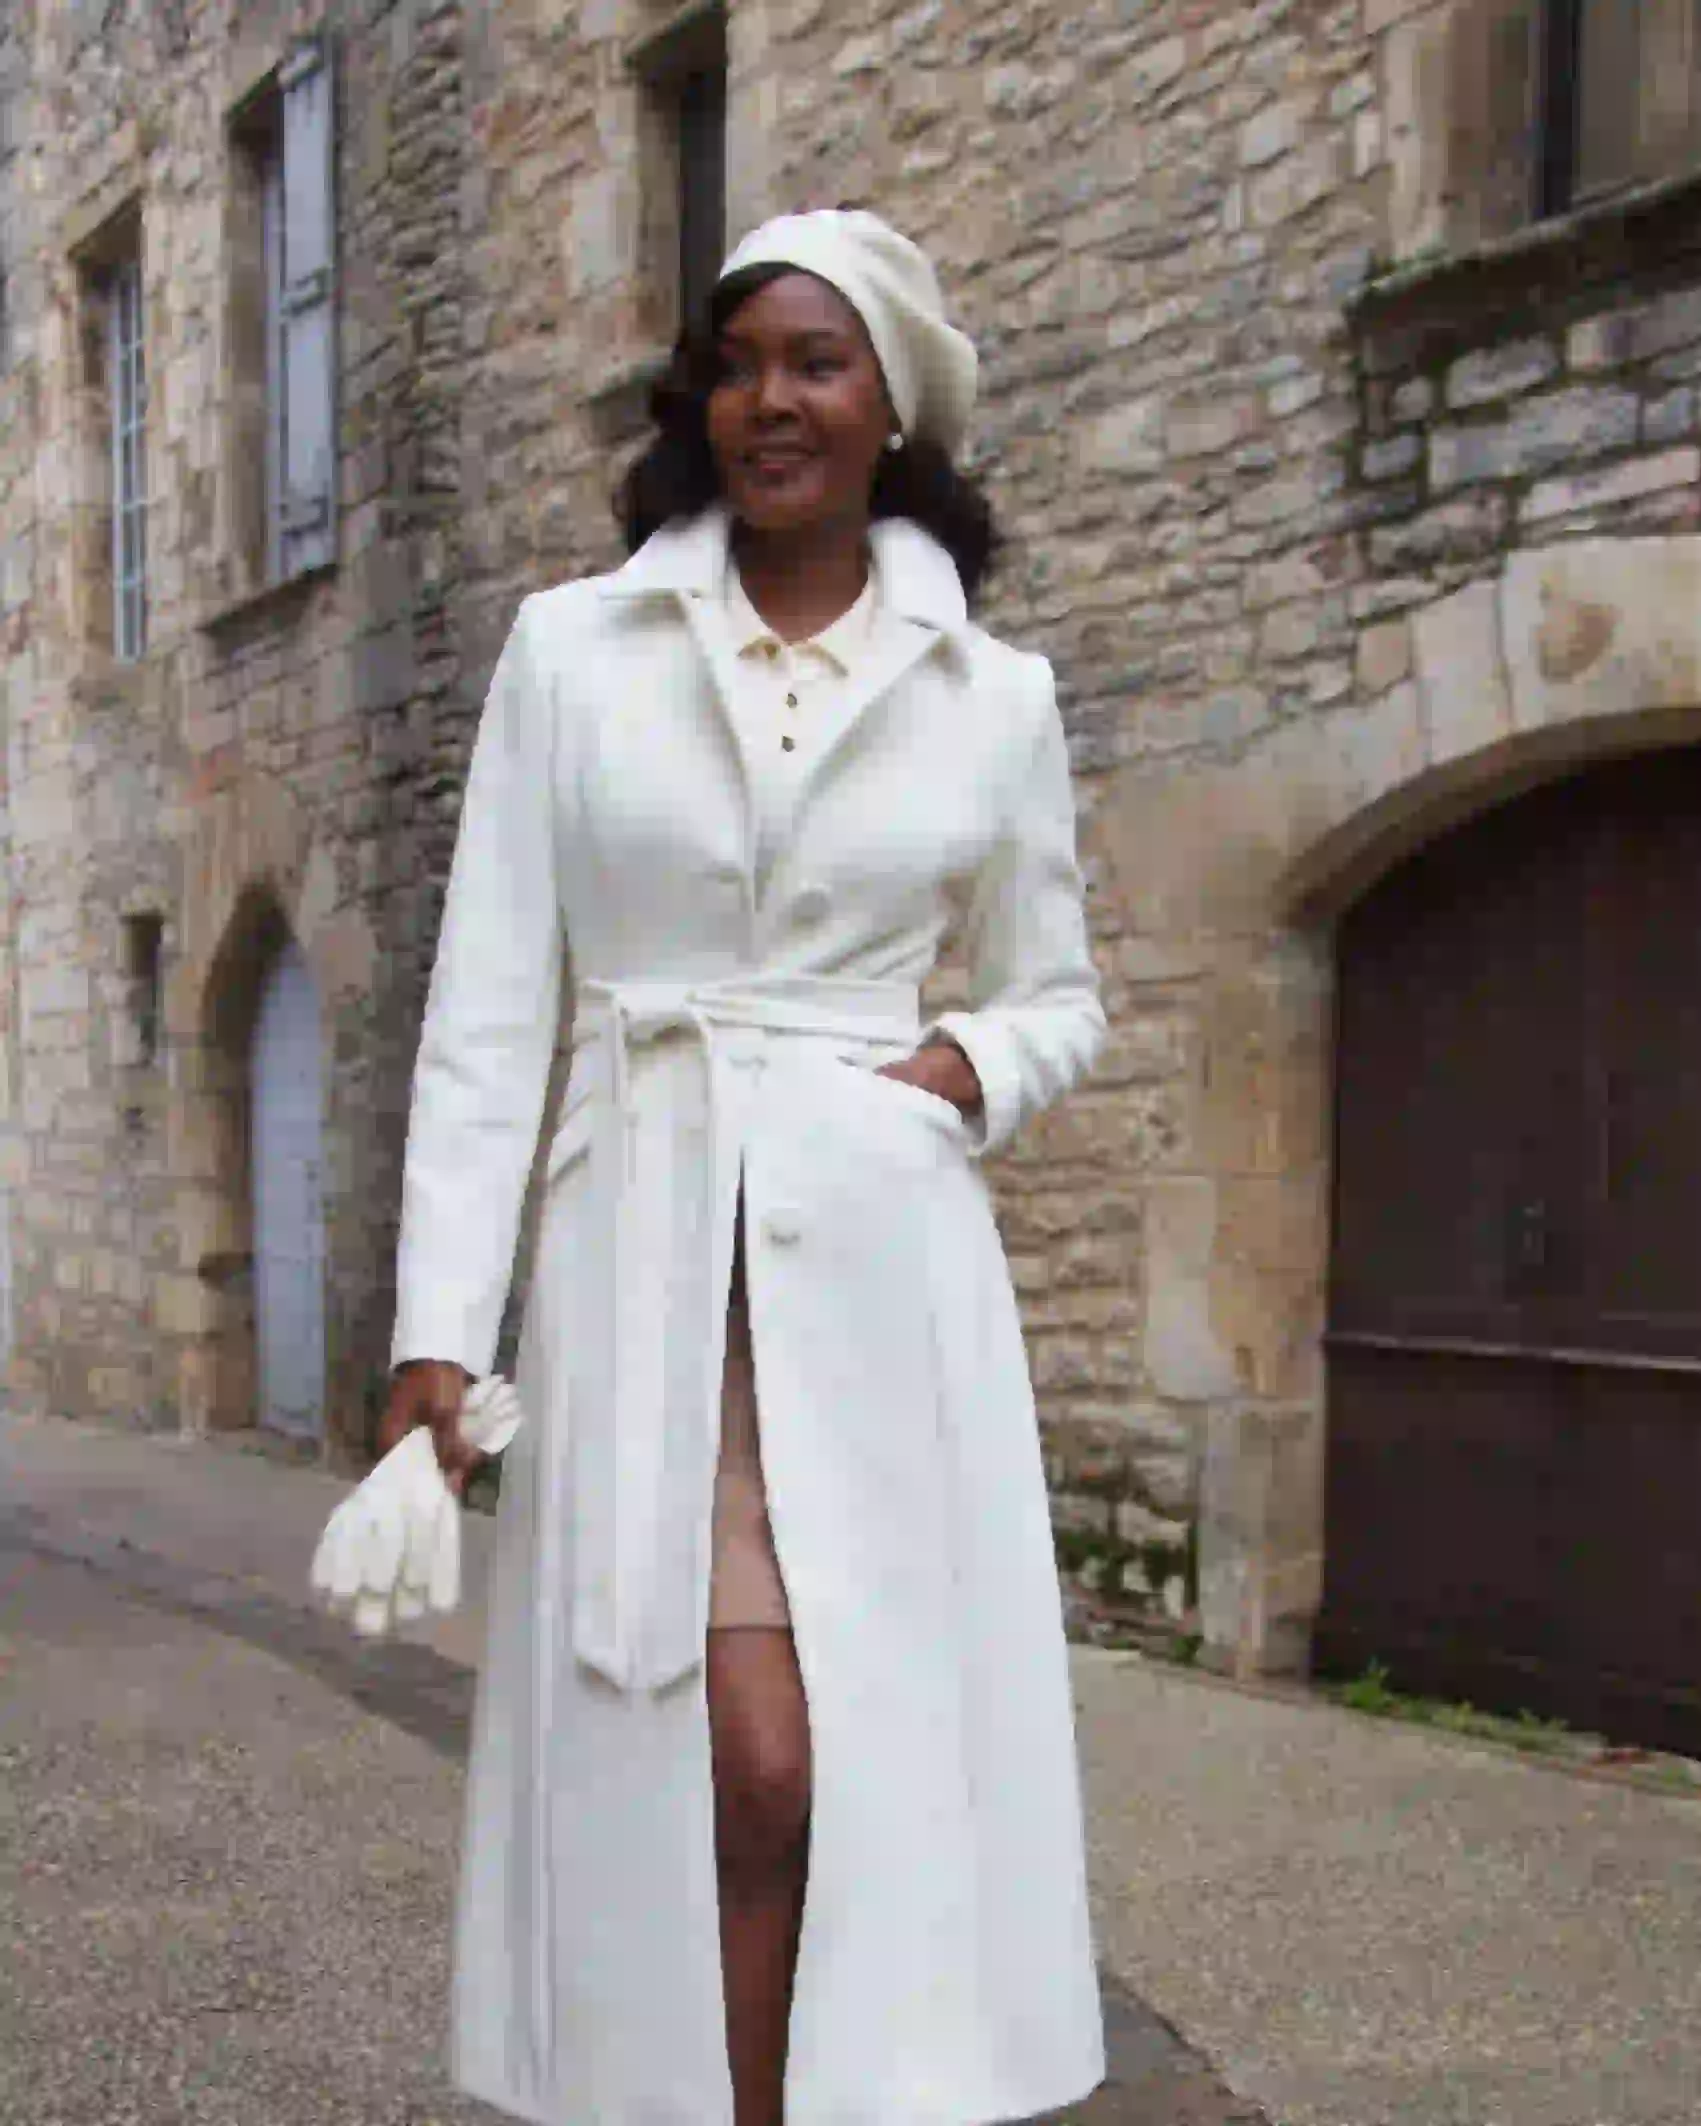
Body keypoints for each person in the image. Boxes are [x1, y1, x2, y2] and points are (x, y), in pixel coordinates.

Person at [377, 208, 1108, 2126]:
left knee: (841, 1771)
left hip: (875, 1277)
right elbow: (487, 1010)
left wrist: (958, 1069)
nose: (769, 400)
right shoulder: (573, 651)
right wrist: (440, 1322)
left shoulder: (993, 696)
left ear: (893, 406)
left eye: (816, 362)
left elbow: (1056, 995)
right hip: (642, 1243)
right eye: (738, 364)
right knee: (731, 1754)